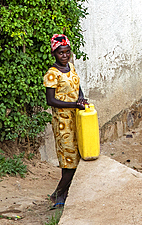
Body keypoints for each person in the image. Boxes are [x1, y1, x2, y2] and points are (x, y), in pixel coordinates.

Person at [44, 34, 88, 210]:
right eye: (61, 53)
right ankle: (60, 195)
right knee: (69, 161)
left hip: (76, 119)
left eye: (67, 52)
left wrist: (81, 100)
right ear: (54, 53)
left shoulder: (71, 67)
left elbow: (78, 89)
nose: (65, 56)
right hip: (63, 123)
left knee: (76, 157)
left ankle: (59, 192)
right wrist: (73, 105)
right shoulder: (51, 74)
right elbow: (50, 100)